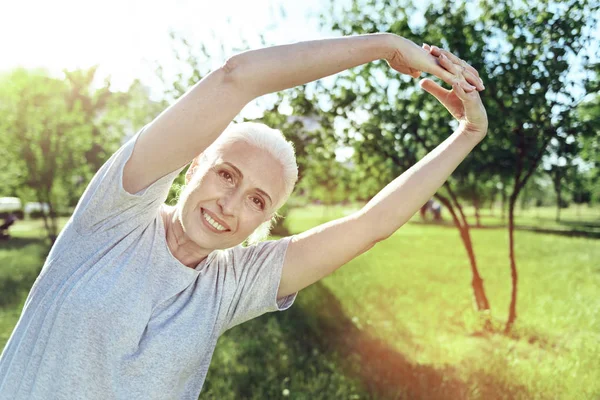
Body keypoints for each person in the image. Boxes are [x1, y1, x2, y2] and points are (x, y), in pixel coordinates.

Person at [0, 33, 487, 399]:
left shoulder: (229, 285)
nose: (230, 206)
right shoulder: (116, 215)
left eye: (257, 200)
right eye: (226, 175)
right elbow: (237, 77)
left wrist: (467, 133)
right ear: (195, 166)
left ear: (265, 222)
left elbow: (371, 225)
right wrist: (383, 46)